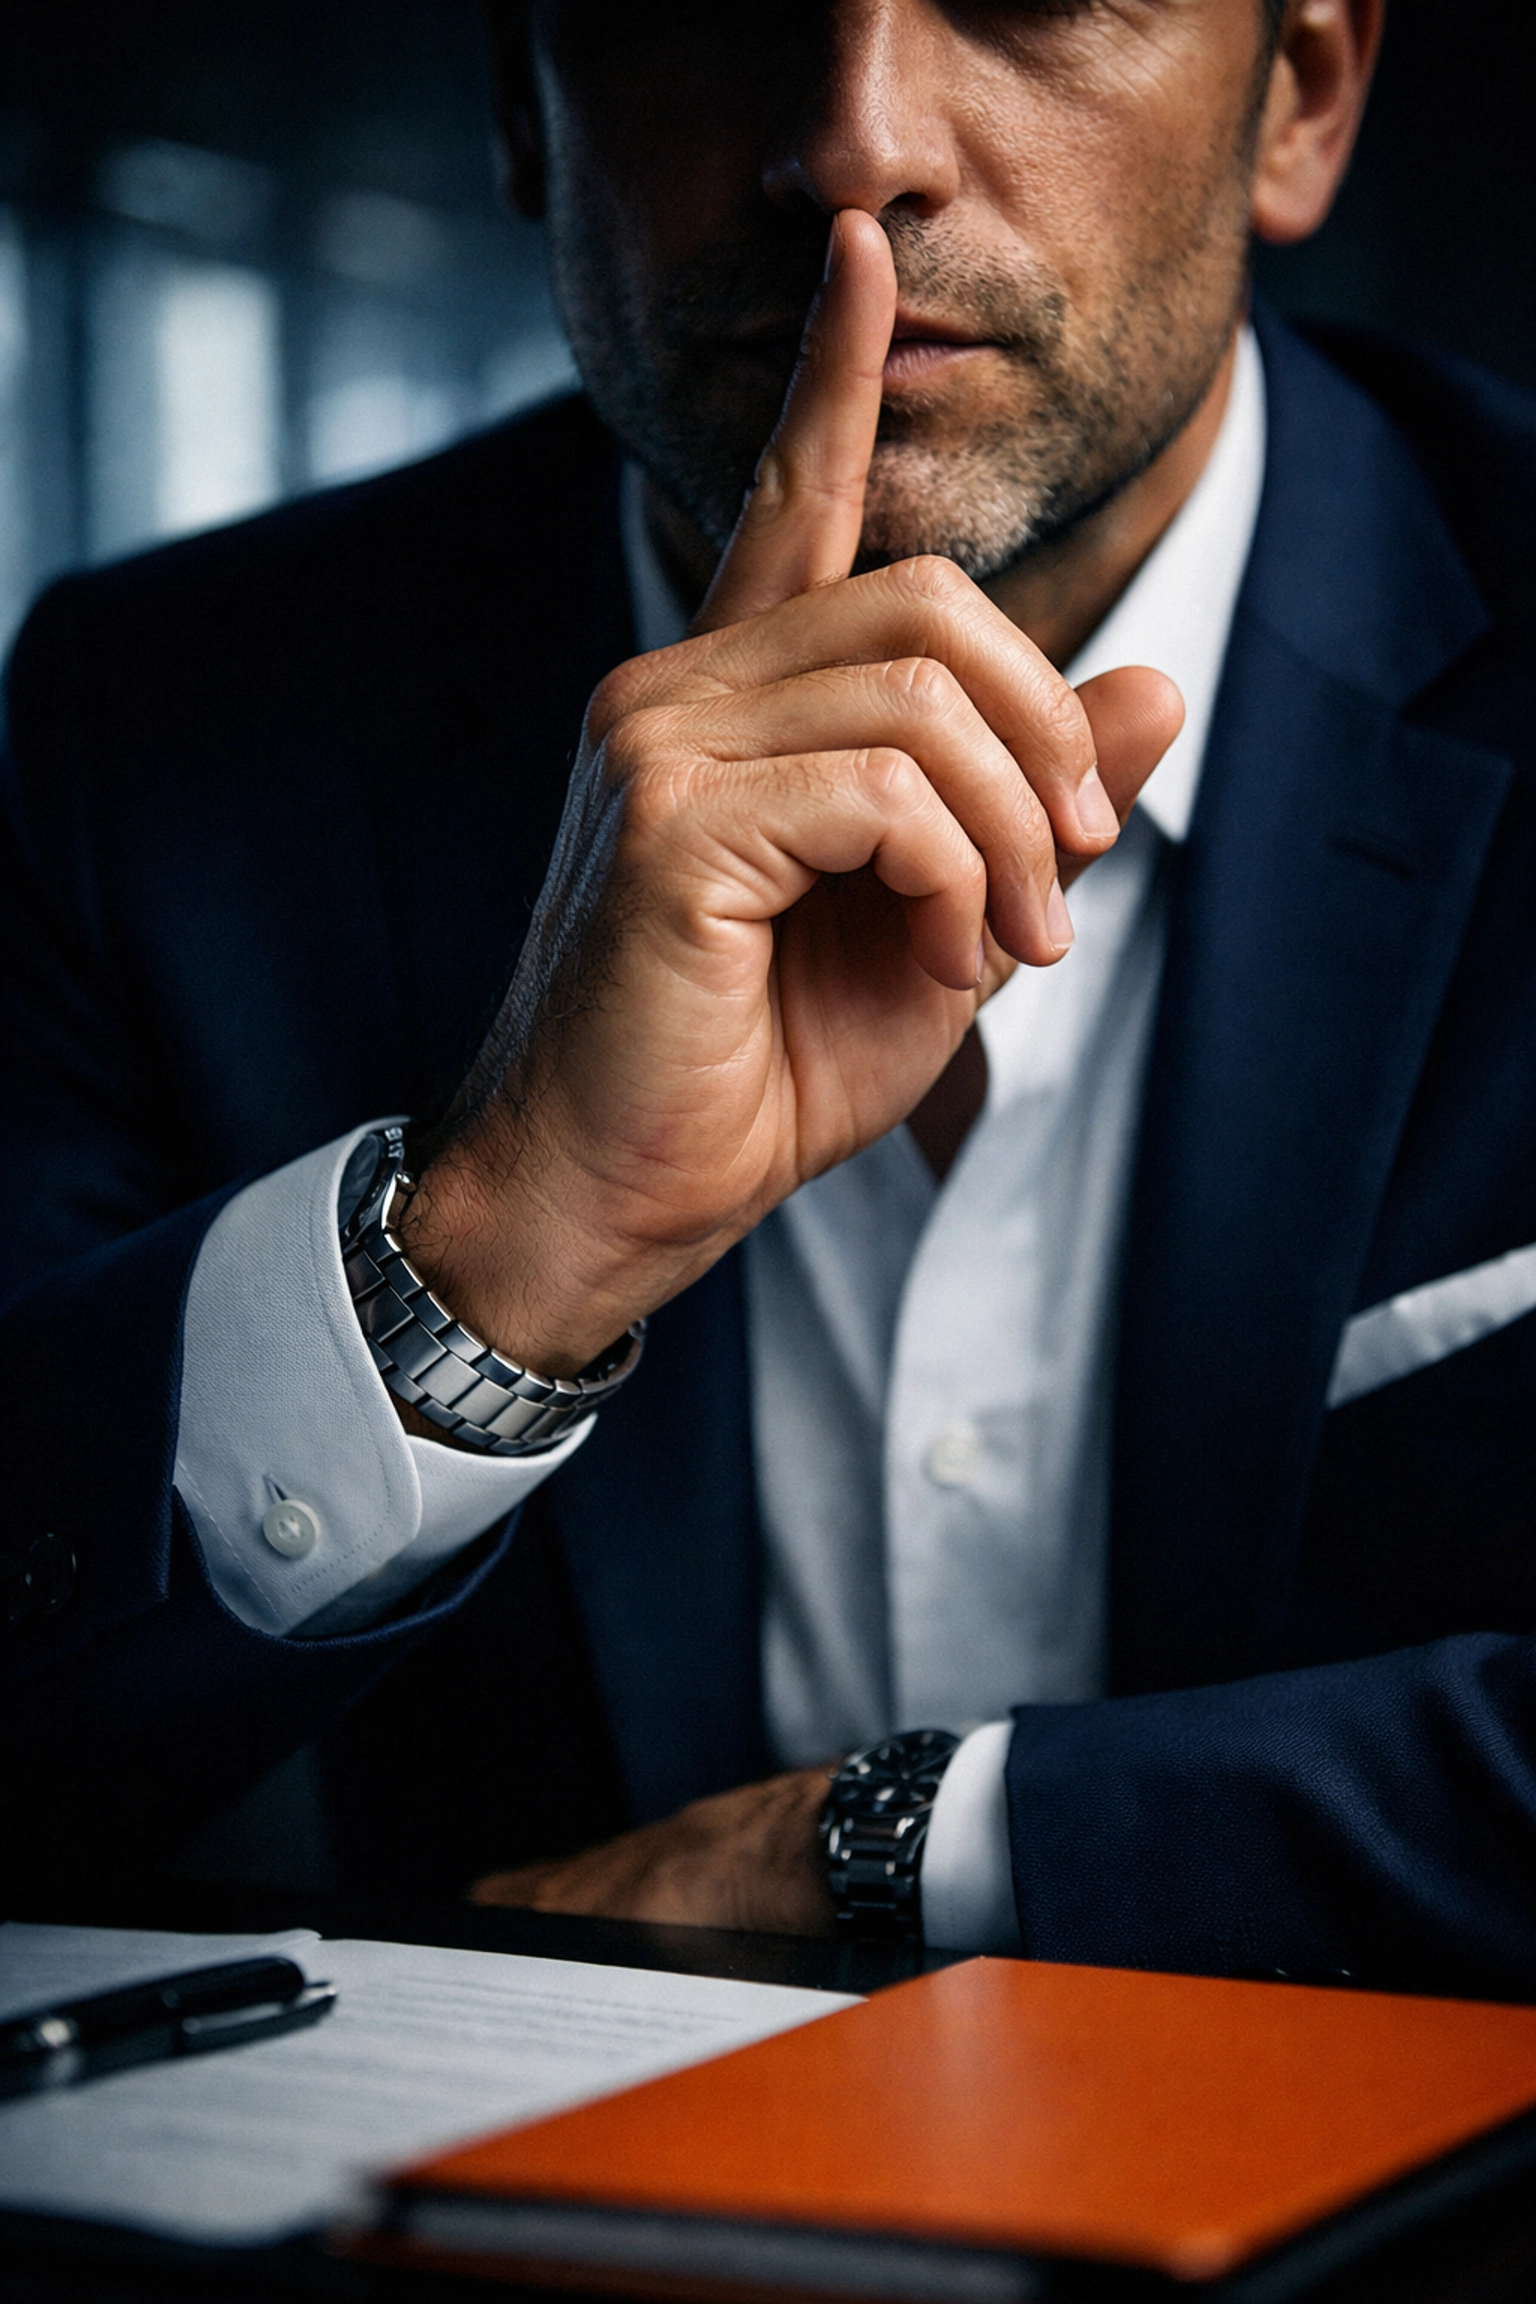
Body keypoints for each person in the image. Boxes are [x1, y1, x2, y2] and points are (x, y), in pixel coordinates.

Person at [4, 0, 1535, 1987]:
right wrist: (489, 1249)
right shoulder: (167, 735)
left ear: (1302, 97)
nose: (855, 142)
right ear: (524, 103)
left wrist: (893, 1851)